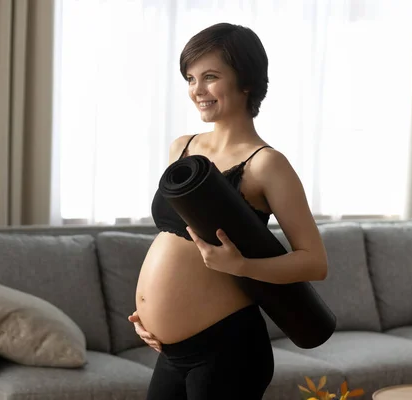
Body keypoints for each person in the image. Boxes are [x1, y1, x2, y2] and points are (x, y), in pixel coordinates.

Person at [128, 22, 328, 400]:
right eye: (190, 78)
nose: (196, 90)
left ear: (246, 81)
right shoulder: (182, 148)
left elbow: (314, 262)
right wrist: (149, 314)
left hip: (228, 350)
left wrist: (243, 266)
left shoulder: (266, 164)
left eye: (210, 77)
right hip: (170, 351)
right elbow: (174, 245)